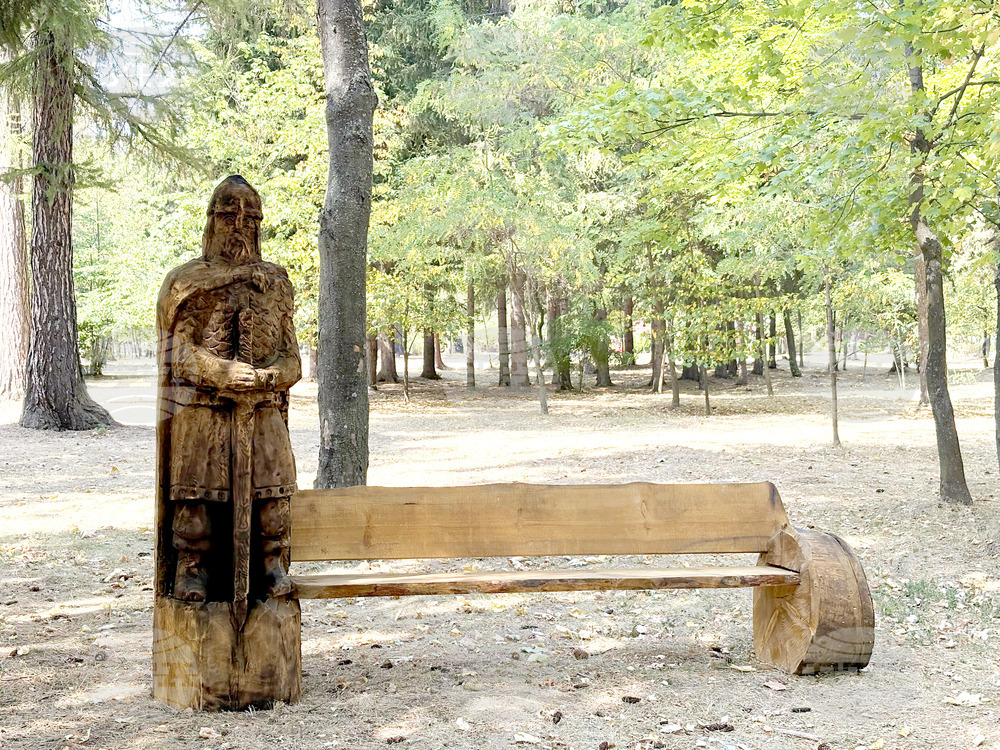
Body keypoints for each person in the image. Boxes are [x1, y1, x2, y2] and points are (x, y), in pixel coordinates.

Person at [155, 176, 301, 605]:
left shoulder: (275, 283)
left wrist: (270, 377)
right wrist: (221, 373)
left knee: (271, 493)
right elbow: (176, 353)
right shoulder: (187, 282)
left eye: (249, 217)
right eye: (228, 215)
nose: (239, 225)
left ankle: (272, 565)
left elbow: (292, 356)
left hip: (262, 407)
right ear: (211, 221)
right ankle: (192, 568)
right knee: (198, 493)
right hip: (203, 408)